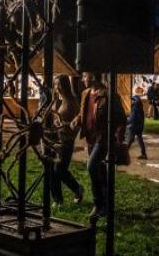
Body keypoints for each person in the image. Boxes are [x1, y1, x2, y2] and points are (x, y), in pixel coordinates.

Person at [71, 72, 126, 219]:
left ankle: (98, 204)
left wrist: (118, 140)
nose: (82, 79)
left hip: (103, 139)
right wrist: (77, 119)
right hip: (90, 138)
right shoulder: (86, 93)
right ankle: (107, 204)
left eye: (84, 76)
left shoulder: (109, 95)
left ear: (93, 76)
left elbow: (121, 118)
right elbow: (84, 112)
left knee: (91, 166)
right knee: (100, 172)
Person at [51, 75, 83, 207]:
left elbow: (76, 124)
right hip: (55, 139)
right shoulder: (59, 101)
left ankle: (77, 189)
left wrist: (63, 124)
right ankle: (58, 200)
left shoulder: (72, 102)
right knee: (54, 170)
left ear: (65, 86)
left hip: (66, 141)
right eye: (55, 84)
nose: (57, 87)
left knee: (59, 169)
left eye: (59, 84)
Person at [125, 94, 147, 159]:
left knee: (130, 140)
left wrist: (127, 122)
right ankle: (143, 154)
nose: (132, 101)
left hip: (134, 126)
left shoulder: (135, 108)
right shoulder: (140, 108)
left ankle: (124, 154)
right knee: (139, 140)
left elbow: (132, 119)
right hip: (140, 126)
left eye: (133, 100)